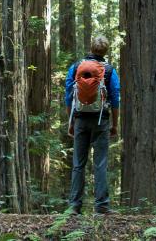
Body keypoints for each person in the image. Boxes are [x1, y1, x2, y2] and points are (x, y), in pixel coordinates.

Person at [64, 36, 120, 214]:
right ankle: (101, 206)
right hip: (101, 120)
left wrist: (71, 121)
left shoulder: (76, 67)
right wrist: (115, 124)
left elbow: (68, 94)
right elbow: (115, 97)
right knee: (100, 163)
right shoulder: (109, 70)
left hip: (80, 119)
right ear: (106, 51)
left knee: (78, 164)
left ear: (91, 48)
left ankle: (74, 206)